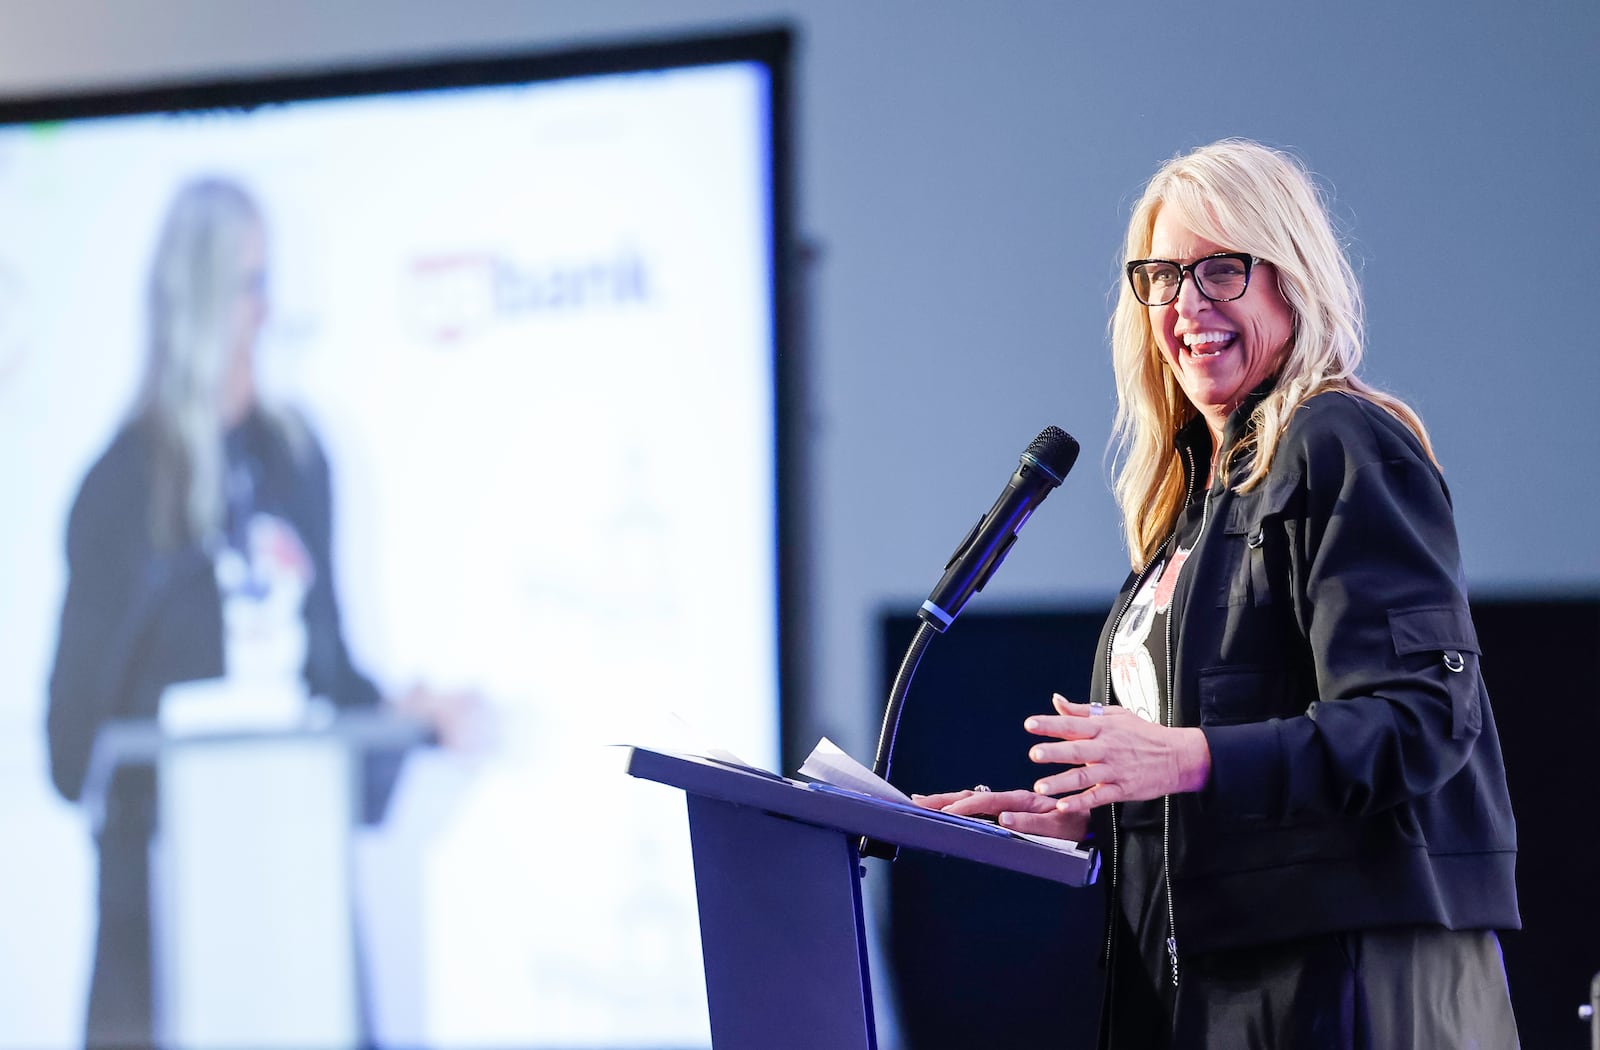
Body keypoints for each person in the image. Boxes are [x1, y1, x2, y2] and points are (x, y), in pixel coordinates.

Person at [914, 139, 1520, 1048]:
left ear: (1291, 279)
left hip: (1347, 976)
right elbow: (1232, 748)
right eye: (1161, 277)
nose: (1188, 306)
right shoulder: (1196, 495)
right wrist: (1099, 815)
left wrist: (1183, 761)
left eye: (1221, 271)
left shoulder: (1339, 440)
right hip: (1212, 981)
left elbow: (1423, 718)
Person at [44, 177, 471, 1049]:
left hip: (292, 904)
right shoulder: (121, 489)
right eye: (253, 285)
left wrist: (403, 719)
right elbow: (69, 750)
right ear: (198, 301)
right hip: (159, 926)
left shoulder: (296, 459)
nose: (269, 311)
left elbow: (329, 674)